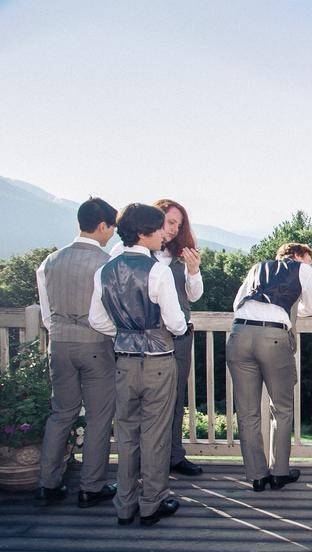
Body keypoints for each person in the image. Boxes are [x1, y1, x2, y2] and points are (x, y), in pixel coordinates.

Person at [89, 203, 187, 526]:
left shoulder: (104, 270)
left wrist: (125, 330)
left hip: (124, 361)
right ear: (144, 233)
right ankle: (152, 502)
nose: (164, 234)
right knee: (155, 434)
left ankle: (124, 503)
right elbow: (175, 323)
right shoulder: (157, 271)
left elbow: (97, 320)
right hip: (158, 360)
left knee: (127, 433)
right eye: (160, 228)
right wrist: (180, 327)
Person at [34, 198, 119, 508]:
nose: (112, 234)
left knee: (61, 414)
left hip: (59, 344)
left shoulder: (50, 261)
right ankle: (91, 486)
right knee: (99, 417)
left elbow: (46, 314)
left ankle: (48, 484)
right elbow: (107, 314)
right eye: (112, 228)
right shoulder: (105, 264)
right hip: (95, 345)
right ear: (101, 226)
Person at [111, 199, 204, 476]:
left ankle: (174, 455)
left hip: (178, 337)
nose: (174, 229)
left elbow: (194, 296)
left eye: (179, 223)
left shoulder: (180, 255)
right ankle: (143, 464)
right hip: (139, 339)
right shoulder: (124, 252)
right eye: (169, 222)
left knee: (176, 398)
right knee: (139, 402)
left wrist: (193, 271)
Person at [227, 242, 312, 491]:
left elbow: (237, 303)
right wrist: (287, 307)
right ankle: (279, 472)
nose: (311, 266)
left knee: (247, 412)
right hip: (273, 337)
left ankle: (256, 475)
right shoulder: (302, 269)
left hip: (239, 334)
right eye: (309, 260)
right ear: (299, 256)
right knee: (282, 408)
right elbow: (311, 307)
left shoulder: (258, 267)